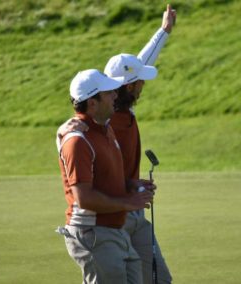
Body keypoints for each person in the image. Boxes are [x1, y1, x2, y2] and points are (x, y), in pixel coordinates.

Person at [57, 5, 176, 283]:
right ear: (127, 87)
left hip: (129, 211)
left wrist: (164, 31)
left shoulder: (118, 108)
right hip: (110, 218)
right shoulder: (107, 120)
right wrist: (128, 194)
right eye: (138, 83)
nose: (142, 87)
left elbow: (140, 62)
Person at [57, 69, 154, 284]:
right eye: (109, 93)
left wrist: (130, 184)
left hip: (114, 231)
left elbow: (104, 177)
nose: (115, 96)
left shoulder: (106, 129)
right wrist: (128, 202)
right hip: (93, 233)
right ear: (92, 103)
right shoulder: (77, 140)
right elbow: (85, 198)